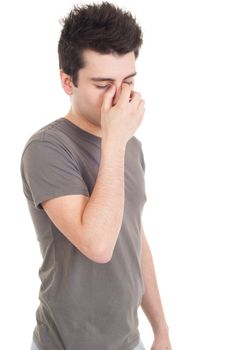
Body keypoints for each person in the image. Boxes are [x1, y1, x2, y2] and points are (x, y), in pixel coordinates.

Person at [20, 2, 172, 349]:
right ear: (66, 81)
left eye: (128, 81)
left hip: (127, 341)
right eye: (103, 84)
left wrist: (160, 328)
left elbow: (132, 238)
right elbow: (99, 245)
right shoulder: (46, 148)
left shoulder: (130, 146)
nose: (119, 98)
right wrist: (115, 140)